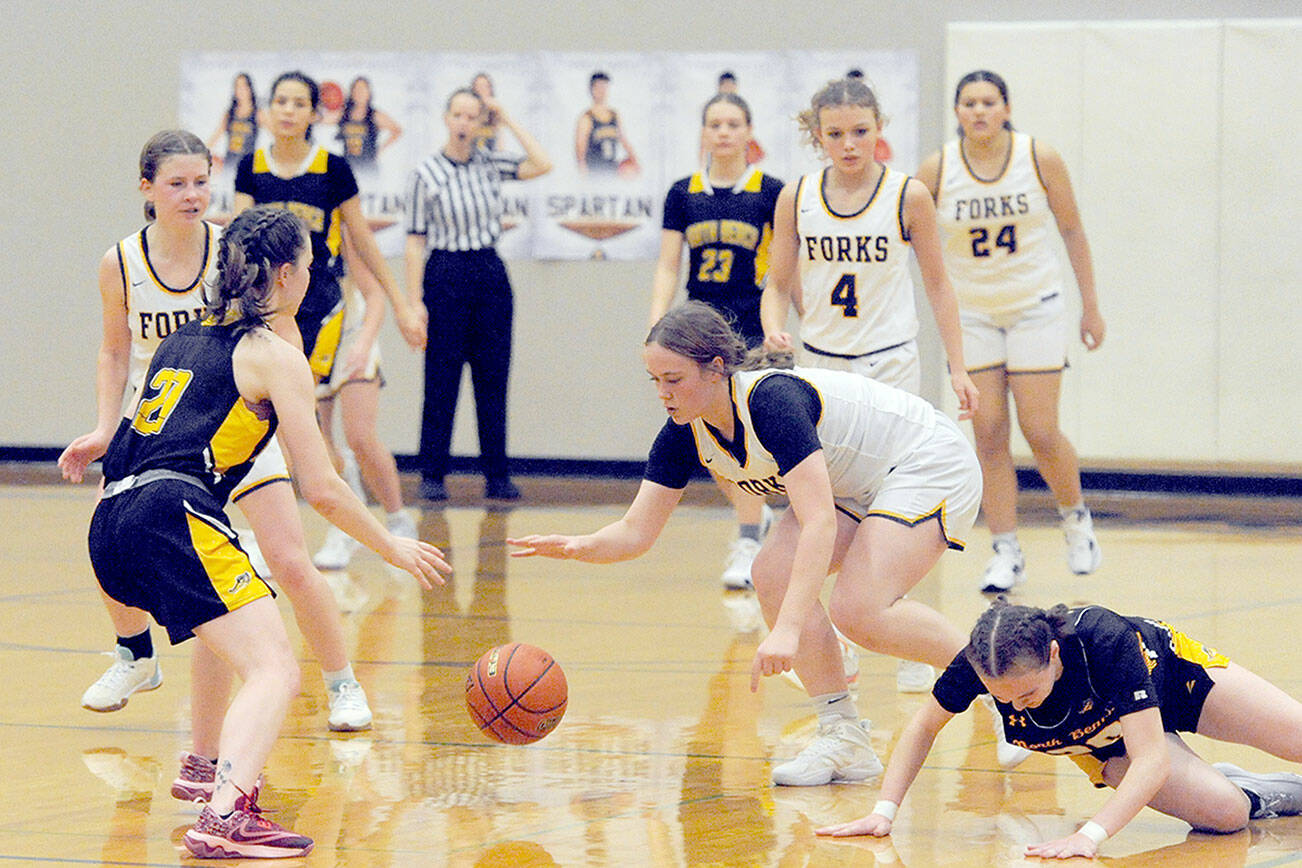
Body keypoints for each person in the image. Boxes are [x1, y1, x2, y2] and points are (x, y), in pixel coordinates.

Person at [65, 206, 450, 857]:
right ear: (284, 272)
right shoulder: (271, 355)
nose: (313, 270)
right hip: (172, 513)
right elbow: (322, 488)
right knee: (275, 666)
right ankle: (224, 815)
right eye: (306, 260)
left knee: (242, 632)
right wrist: (392, 544)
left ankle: (205, 759)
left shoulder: (186, 335)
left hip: (109, 518)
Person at [509, 303, 1023, 788]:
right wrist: (577, 545)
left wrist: (789, 630)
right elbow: (636, 532)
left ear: (715, 370)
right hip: (858, 481)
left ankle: (1007, 693)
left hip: (924, 459)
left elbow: (819, 522)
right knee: (770, 574)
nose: (663, 394)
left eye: (673, 380)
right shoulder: (685, 430)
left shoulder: (771, 403)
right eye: (655, 382)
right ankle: (844, 737)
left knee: (858, 609)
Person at [58, 130, 382, 736]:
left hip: (240, 420)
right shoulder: (121, 262)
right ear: (146, 188)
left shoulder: (230, 250)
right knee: (109, 526)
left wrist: (290, 416)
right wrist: (106, 426)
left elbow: (280, 330)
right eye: (177, 184)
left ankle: (342, 682)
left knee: (288, 557)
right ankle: (136, 657)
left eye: (201, 182)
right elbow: (113, 349)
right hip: (163, 427)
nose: (192, 195)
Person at [761, 76, 979, 694]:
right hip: (822, 369)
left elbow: (939, 284)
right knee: (822, 505)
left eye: (861, 131)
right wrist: (775, 327)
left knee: (896, 505)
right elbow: (778, 282)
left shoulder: (907, 196)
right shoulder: (796, 197)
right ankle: (834, 649)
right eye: (835, 134)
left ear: (879, 129)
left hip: (890, 366)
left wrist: (958, 367)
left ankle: (906, 630)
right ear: (817, 135)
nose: (849, 144)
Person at [816, 598, 1302, 859]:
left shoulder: (1104, 639)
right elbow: (923, 728)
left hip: (1175, 680)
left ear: (1053, 655)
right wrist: (885, 810)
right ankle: (1254, 790)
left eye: (1026, 695)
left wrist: (1090, 836)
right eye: (1000, 699)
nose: (1015, 708)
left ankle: (1222, 773)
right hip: (1109, 744)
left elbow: (1151, 757)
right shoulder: (975, 663)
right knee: (1227, 816)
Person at [916, 70, 1106, 593]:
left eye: (988, 102)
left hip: (1035, 305)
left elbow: (1071, 229)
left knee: (1041, 430)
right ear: (957, 112)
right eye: (969, 103)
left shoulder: (1038, 157)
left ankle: (1075, 518)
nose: (979, 111)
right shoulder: (937, 168)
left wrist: (1090, 306)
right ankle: (1005, 550)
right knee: (989, 432)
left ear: (1006, 107)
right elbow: (910, 233)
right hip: (972, 312)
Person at [233, 70, 424, 550]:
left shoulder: (333, 169)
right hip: (278, 318)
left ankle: (397, 518)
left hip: (336, 310)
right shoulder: (250, 168)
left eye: (299, 103)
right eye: (280, 101)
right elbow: (236, 240)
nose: (288, 110)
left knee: (358, 435)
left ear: (315, 114)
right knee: (307, 433)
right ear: (267, 110)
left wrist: (402, 305)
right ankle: (337, 526)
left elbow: (364, 243)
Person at [650, 92, 783, 589]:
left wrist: (783, 325)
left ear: (749, 132)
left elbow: (785, 269)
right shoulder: (682, 193)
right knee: (709, 438)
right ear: (703, 132)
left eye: (733, 123)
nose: (724, 131)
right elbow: (668, 265)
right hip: (697, 330)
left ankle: (750, 534)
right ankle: (755, 521)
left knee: (747, 436)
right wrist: (656, 325)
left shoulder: (771, 191)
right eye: (715, 123)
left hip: (751, 327)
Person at [405, 86, 551, 502]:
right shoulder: (426, 172)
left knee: (492, 376)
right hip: (445, 272)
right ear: (446, 118)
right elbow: (415, 241)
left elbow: (542, 163)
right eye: (458, 115)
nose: (464, 123)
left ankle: (496, 475)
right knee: (442, 377)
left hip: (488, 270)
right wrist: (415, 302)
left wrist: (506, 118)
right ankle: (432, 474)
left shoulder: (491, 163)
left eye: (473, 116)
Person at [574, 71, 639, 177]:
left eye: (605, 87)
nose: (602, 91)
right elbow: (580, 147)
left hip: (613, 169)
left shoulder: (614, 115)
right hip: (594, 170)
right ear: (592, 89)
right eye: (599, 87)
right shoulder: (586, 117)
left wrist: (635, 160)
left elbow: (624, 140)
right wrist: (582, 169)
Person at [335, 75, 403, 172]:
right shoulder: (343, 114)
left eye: (363, 90)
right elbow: (321, 118)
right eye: (357, 89)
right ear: (352, 92)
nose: (360, 93)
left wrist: (380, 149)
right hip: (348, 168)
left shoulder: (375, 116)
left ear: (369, 93)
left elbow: (397, 130)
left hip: (368, 168)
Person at [205, 72, 261, 174]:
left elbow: (276, 132)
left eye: (244, 86)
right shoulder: (230, 113)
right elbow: (216, 136)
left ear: (250, 88)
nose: (241, 90)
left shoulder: (257, 113)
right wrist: (200, 154)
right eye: (237, 86)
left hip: (248, 167)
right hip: (230, 163)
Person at [470, 72, 500, 152]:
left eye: (485, 87)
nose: (481, 90)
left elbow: (500, 144)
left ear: (490, 90)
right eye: (478, 86)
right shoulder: (468, 113)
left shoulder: (495, 113)